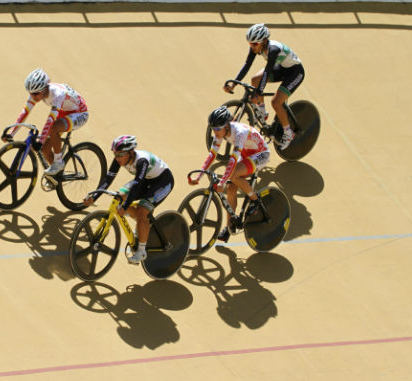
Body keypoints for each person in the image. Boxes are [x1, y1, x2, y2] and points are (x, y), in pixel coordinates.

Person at [83, 135, 174, 264]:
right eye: (115, 154)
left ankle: (141, 251)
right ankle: (141, 223)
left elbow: (136, 185)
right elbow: (107, 179)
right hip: (145, 180)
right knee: (118, 197)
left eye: (120, 155)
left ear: (131, 153)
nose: (117, 158)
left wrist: (125, 207)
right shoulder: (118, 159)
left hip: (162, 182)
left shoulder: (142, 161)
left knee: (142, 211)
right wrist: (94, 196)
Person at [190, 106, 270, 243]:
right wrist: (199, 176)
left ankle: (255, 200)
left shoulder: (239, 133)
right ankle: (228, 227)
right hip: (246, 152)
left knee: (234, 175)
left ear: (226, 126)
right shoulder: (221, 132)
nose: (214, 132)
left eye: (217, 129)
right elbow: (212, 155)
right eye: (212, 129)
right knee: (231, 190)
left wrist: (221, 182)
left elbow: (232, 160)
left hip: (260, 154)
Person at [224, 23, 305, 149]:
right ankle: (263, 111)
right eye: (250, 44)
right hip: (282, 68)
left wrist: (258, 93)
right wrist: (234, 83)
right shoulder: (256, 46)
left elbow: (267, 71)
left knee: (276, 102)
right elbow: (247, 65)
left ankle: (289, 133)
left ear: (264, 41)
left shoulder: (273, 49)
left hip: (295, 72)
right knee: (255, 79)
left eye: (255, 44)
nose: (252, 47)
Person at [2, 68, 89, 178]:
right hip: (64, 111)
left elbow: (50, 120)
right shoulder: (37, 92)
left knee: (53, 128)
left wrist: (41, 141)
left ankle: (58, 163)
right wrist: (11, 133)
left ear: (44, 89)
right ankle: (57, 176)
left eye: (36, 94)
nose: (34, 97)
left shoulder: (57, 94)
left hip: (80, 113)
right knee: (45, 149)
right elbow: (25, 112)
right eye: (31, 94)